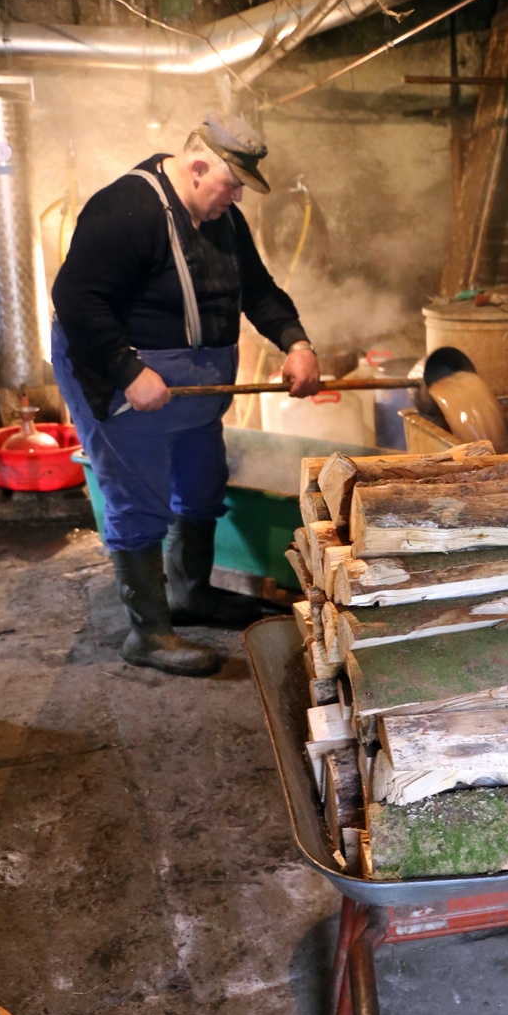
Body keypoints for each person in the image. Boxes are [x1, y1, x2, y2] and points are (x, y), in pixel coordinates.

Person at [51, 109, 321, 678]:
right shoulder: (126, 208)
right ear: (198, 168)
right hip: (126, 388)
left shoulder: (222, 220)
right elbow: (76, 299)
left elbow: (260, 290)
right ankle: (147, 632)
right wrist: (128, 371)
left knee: (201, 485)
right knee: (138, 499)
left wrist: (296, 343)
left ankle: (191, 594)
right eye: (232, 185)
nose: (238, 198)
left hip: (196, 394)